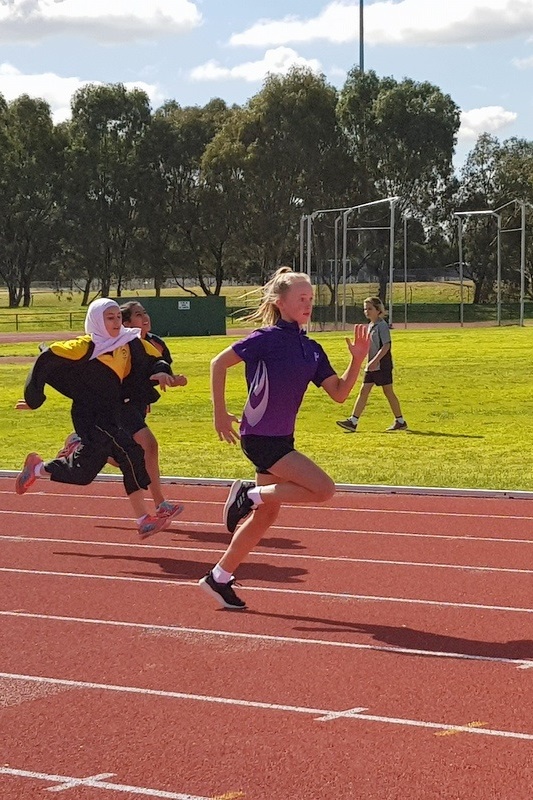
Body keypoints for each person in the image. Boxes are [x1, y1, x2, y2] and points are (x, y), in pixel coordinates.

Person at [198, 266, 370, 610]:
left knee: (265, 516)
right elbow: (218, 363)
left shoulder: (312, 348)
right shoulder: (266, 339)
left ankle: (218, 577)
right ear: (281, 302)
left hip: (281, 438)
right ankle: (250, 493)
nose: (308, 304)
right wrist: (219, 412)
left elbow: (338, 393)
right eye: (301, 298)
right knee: (324, 489)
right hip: (260, 437)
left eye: (311, 298)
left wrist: (357, 361)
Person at [14, 297, 184, 538]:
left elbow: (155, 359)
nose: (116, 323)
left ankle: (38, 469)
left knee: (83, 475)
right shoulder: (85, 347)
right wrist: (34, 399)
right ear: (96, 320)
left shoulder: (130, 341)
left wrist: (162, 373)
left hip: (113, 413)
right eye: (109, 318)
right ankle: (145, 519)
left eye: (117, 317)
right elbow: (47, 359)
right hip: (90, 416)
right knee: (131, 454)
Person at [57, 300, 187, 518]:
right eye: (138, 315)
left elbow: (155, 371)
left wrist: (171, 379)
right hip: (120, 404)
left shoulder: (155, 344)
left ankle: (80, 444)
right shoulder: (118, 343)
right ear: (126, 323)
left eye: (145, 313)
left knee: (127, 458)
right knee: (149, 446)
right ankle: (160, 504)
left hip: (137, 404)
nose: (145, 318)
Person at [336, 296, 408, 433]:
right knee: (364, 390)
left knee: (388, 392)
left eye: (370, 308)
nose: (367, 311)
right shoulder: (370, 326)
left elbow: (386, 345)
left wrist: (375, 361)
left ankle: (400, 421)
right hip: (372, 365)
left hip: (382, 365)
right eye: (365, 309)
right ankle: (353, 421)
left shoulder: (382, 325)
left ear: (378, 310)